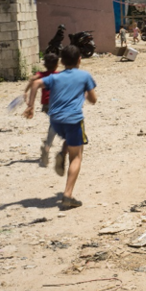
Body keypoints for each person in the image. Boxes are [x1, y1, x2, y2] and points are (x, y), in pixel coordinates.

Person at [24, 45, 97, 208]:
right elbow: (93, 100)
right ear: (80, 59)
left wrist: (30, 106)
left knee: (68, 140)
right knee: (77, 156)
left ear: (62, 61)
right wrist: (84, 93)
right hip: (73, 120)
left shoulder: (55, 77)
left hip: (55, 121)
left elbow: (35, 84)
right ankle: (68, 194)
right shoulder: (84, 76)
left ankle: (63, 153)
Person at [23, 53, 60, 167]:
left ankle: (47, 145)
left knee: (54, 124)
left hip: (46, 105)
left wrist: (26, 91)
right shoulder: (59, 75)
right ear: (57, 64)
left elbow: (32, 79)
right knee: (55, 125)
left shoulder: (41, 75)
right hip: (57, 104)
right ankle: (47, 146)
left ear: (44, 64)